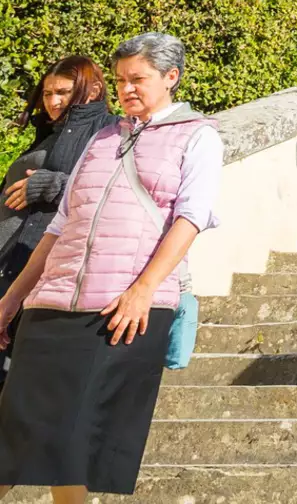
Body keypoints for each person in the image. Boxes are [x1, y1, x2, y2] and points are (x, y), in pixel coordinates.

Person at [0, 33, 223, 498]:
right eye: (121, 80)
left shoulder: (197, 136)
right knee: (14, 436)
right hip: (53, 303)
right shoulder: (102, 136)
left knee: (76, 445)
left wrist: (143, 290)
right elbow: (60, 226)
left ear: (171, 77)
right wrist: (13, 298)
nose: (127, 90)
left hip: (122, 308)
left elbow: (191, 217)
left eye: (138, 79)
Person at [0, 57, 110, 300]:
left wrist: (54, 185)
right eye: (48, 93)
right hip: (9, 260)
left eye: (63, 92)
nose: (53, 101)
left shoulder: (109, 132)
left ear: (94, 90)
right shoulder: (50, 132)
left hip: (38, 266)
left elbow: (110, 192)